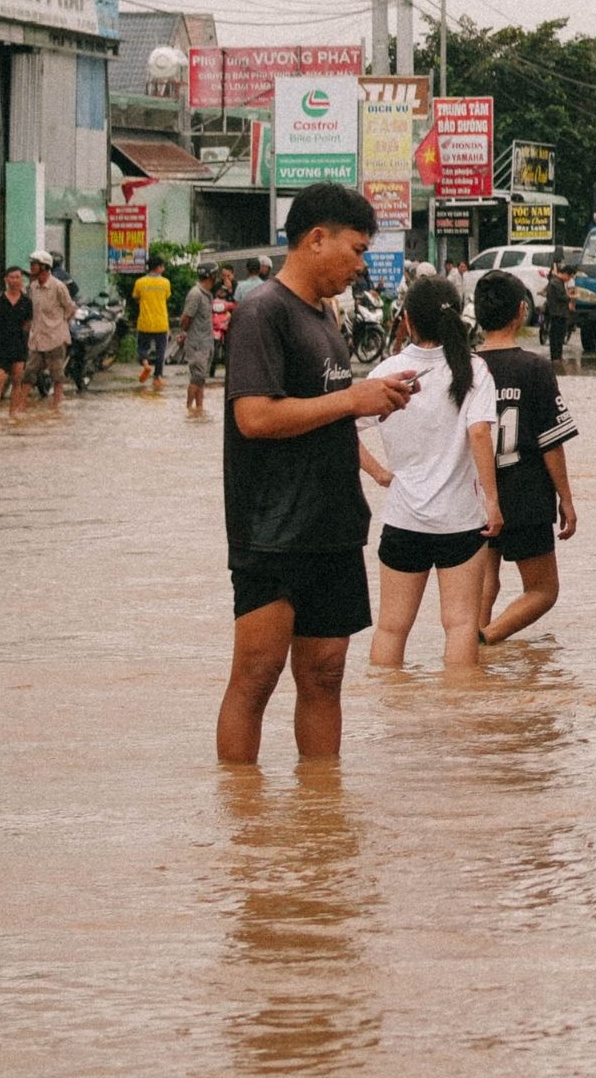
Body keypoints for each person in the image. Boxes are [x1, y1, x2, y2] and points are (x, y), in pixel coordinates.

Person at [217, 182, 412, 764]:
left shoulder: (325, 315)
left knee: (325, 675)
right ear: (317, 239)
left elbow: (327, 409)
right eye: (357, 250)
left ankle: (322, 805)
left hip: (333, 525)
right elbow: (254, 417)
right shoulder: (262, 313)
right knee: (257, 676)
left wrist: (371, 399)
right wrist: (353, 399)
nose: (361, 265)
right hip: (271, 529)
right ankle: (241, 810)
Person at [354, 274, 499, 672]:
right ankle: (459, 706)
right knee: (460, 624)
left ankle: (390, 708)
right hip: (461, 522)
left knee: (391, 628)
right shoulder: (474, 370)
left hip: (403, 519)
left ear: (407, 321)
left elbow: (343, 429)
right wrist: (493, 501)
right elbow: (480, 433)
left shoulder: (386, 372)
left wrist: (380, 474)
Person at [470, 271, 577, 645]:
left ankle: (469, 653)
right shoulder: (534, 368)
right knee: (543, 590)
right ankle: (487, 638)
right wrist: (566, 498)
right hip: (526, 494)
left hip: (477, 494)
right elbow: (551, 444)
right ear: (521, 311)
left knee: (486, 579)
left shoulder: (466, 367)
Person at [25, 252, 73, 414]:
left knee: (57, 374)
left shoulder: (58, 286)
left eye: (34, 264)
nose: (31, 267)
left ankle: (56, 407)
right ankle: (20, 406)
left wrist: (59, 324)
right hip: (37, 337)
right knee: (29, 372)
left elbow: (70, 308)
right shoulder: (32, 287)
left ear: (45, 267)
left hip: (55, 338)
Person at [177, 261, 220, 417]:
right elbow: (185, 318)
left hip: (205, 342)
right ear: (211, 276)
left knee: (201, 379)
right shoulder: (196, 294)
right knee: (196, 378)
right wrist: (186, 334)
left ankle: (199, 409)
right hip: (196, 343)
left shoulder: (207, 294)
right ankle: (189, 409)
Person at [0, 268, 30, 421]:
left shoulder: (26, 302)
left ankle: (13, 413)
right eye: (11, 277)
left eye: (18, 277)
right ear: (6, 279)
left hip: (19, 345)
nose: (15, 280)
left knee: (17, 381)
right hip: (0, 346)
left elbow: (27, 325)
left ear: (22, 280)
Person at [132, 256, 173, 393]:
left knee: (142, 347)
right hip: (161, 322)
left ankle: (145, 364)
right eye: (163, 266)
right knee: (161, 351)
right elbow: (166, 297)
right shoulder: (165, 282)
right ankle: (157, 377)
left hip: (145, 322)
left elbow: (136, 297)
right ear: (159, 267)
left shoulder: (140, 282)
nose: (164, 268)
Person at [540, 257, 577, 365]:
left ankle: (558, 356)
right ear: (565, 273)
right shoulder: (555, 282)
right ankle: (555, 357)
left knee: (560, 335)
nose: (569, 279)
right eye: (569, 276)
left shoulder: (558, 282)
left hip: (560, 312)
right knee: (556, 335)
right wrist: (571, 296)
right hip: (557, 312)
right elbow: (561, 297)